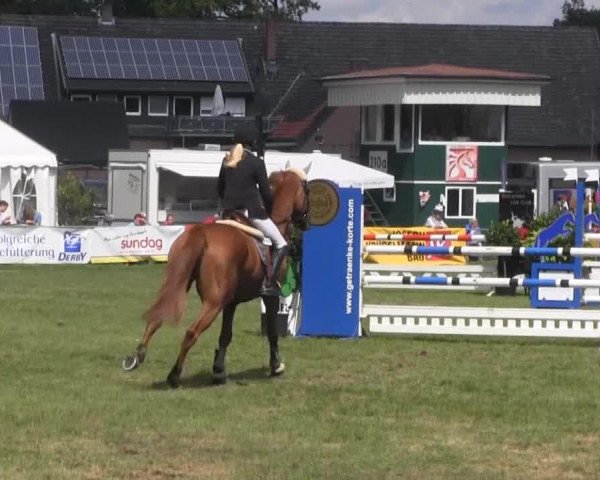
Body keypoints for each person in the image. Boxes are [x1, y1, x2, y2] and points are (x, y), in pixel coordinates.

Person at [217, 124, 288, 297]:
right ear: (252, 144)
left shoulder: (227, 161)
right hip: (250, 213)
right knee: (281, 243)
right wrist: (270, 211)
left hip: (227, 213)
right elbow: (266, 192)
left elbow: (220, 188)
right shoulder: (257, 163)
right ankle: (268, 284)